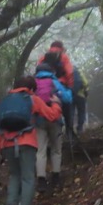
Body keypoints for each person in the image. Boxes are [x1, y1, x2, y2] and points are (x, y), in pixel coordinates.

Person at [0, 76, 62, 205]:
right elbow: (51, 115)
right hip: (26, 142)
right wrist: (57, 104)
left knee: (14, 176)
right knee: (28, 178)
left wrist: (0, 146)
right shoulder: (32, 99)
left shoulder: (6, 101)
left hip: (7, 143)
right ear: (31, 89)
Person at [34, 63, 72, 191]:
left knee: (40, 150)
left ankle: (41, 179)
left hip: (38, 120)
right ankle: (55, 177)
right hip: (55, 119)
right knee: (56, 149)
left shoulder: (33, 83)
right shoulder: (54, 82)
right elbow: (67, 99)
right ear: (51, 71)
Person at [71, 66, 88, 134]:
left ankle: (70, 129)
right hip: (81, 96)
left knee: (71, 113)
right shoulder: (80, 73)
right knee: (81, 112)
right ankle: (79, 128)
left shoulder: (68, 74)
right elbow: (86, 83)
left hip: (71, 96)